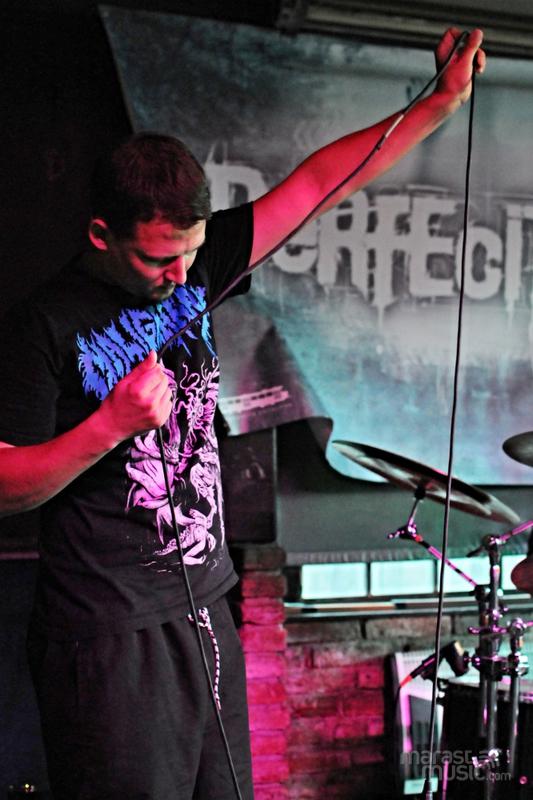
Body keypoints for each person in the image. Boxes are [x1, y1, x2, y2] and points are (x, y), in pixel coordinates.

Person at [0, 27, 485, 800]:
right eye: (158, 257)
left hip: (205, 605)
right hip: (107, 631)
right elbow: (6, 486)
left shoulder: (197, 268)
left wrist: (438, 104)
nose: (180, 273)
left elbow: (318, 182)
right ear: (101, 234)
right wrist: (109, 427)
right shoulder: (43, 325)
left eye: (190, 252)